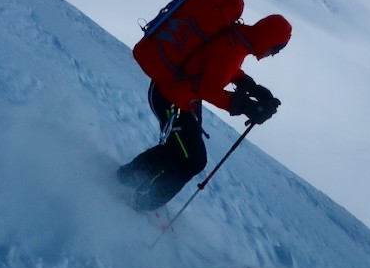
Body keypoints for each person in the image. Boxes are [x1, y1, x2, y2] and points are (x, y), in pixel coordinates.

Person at [117, 13, 291, 211]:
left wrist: (250, 86)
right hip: (171, 99)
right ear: (268, 40)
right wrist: (246, 106)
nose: (273, 54)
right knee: (193, 160)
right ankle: (143, 203)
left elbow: (219, 67)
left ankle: (126, 178)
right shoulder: (233, 48)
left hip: (180, 98)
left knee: (180, 150)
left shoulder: (238, 38)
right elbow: (206, 88)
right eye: (276, 49)